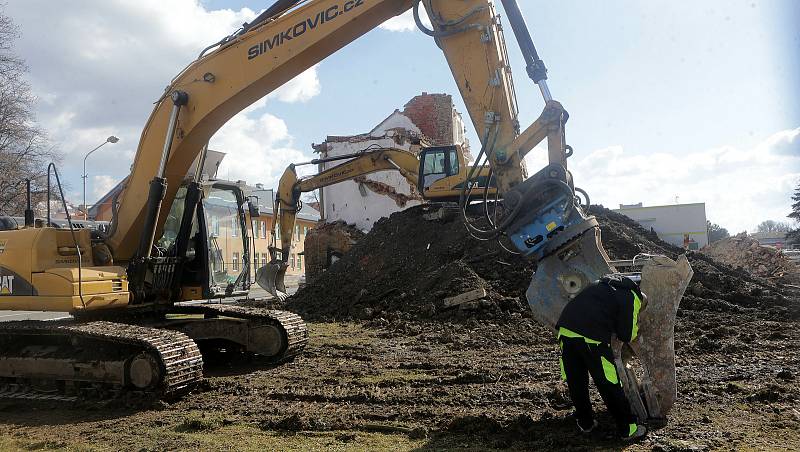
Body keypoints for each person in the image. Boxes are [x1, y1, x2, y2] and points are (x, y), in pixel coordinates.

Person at [556, 274, 648, 441]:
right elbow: (627, 334)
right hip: (591, 338)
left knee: (576, 382)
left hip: (565, 330)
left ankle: (586, 423)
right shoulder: (633, 296)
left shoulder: (601, 285)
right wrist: (636, 326)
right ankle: (628, 429)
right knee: (610, 383)